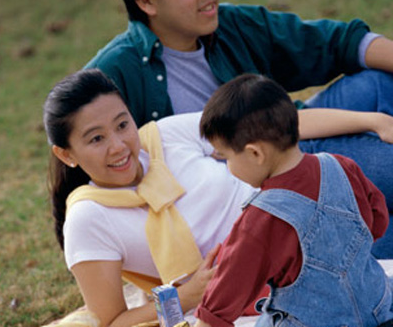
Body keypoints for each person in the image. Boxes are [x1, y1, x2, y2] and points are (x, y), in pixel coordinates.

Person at [84, 0, 393, 257]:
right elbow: (89, 177)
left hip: (293, 132)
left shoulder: (230, 24)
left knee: (381, 82)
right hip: (260, 193)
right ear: (147, 1)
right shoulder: (112, 74)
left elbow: (335, 43)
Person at [43, 69, 393, 327]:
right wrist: (188, 296)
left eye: (122, 125)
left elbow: (271, 130)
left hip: (311, 229)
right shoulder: (88, 219)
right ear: (66, 154)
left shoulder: (165, 136)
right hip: (251, 298)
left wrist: (373, 120)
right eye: (96, 139)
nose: (119, 146)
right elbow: (113, 321)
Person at [194, 74, 393, 327]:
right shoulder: (343, 166)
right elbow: (377, 223)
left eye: (226, 158)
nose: (228, 166)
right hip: (377, 309)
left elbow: (223, 297)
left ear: (255, 153)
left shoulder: (259, 220)